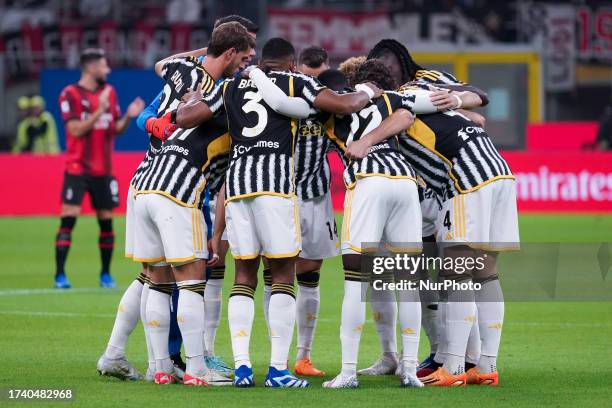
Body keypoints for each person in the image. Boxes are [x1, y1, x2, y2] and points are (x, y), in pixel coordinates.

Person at [178, 37, 380, 388]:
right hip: (274, 186)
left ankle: (242, 368)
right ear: (290, 63)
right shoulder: (294, 81)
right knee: (283, 274)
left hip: (238, 185)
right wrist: (368, 89)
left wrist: (190, 98)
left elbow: (187, 117)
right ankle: (277, 370)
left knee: (243, 275)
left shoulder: (231, 84)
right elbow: (346, 105)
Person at [133, 14, 258, 377]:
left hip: (144, 182)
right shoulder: (226, 91)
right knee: (191, 281)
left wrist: (170, 112)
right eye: (245, 57)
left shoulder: (182, 70)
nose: (245, 65)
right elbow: (188, 118)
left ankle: (159, 368)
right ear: (232, 52)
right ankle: (197, 369)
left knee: (156, 280)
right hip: (180, 188)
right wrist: (186, 110)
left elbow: (163, 65)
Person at [320, 60, 441, 389]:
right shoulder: (392, 98)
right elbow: (406, 116)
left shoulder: (336, 102)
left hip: (368, 179)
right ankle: (410, 370)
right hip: (404, 181)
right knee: (408, 282)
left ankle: (347, 372)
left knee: (356, 281)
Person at [54, 48, 144, 289]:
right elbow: (74, 130)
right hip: (77, 169)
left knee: (106, 223)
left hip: (103, 171)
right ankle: (60, 275)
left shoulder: (109, 92)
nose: (108, 70)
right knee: (68, 220)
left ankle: (105, 275)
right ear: (91, 67)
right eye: (104, 66)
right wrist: (98, 112)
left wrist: (127, 117)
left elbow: (114, 130)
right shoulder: (70, 94)